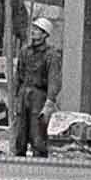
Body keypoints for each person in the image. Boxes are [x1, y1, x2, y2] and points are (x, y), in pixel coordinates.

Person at [9, 16, 57, 158]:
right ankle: (18, 167)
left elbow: (54, 79)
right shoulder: (25, 52)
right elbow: (19, 75)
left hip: (39, 96)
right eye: (34, 29)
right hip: (24, 94)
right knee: (20, 134)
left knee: (37, 135)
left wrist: (50, 101)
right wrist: (15, 96)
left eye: (38, 30)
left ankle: (39, 169)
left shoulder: (51, 55)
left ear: (45, 34)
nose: (34, 32)